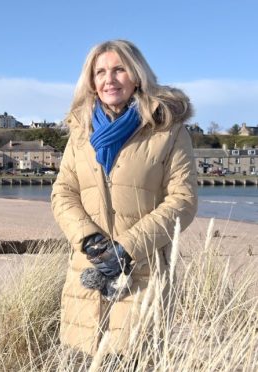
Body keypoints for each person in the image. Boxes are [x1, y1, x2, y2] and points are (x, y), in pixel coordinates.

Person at [50, 40, 197, 355]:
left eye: (119, 69)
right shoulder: (80, 131)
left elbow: (182, 201)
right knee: (81, 356)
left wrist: (126, 249)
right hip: (85, 275)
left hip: (142, 275)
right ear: (91, 81)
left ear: (137, 75)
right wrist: (90, 240)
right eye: (100, 72)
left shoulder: (168, 131)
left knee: (133, 357)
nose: (109, 79)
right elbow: (63, 192)